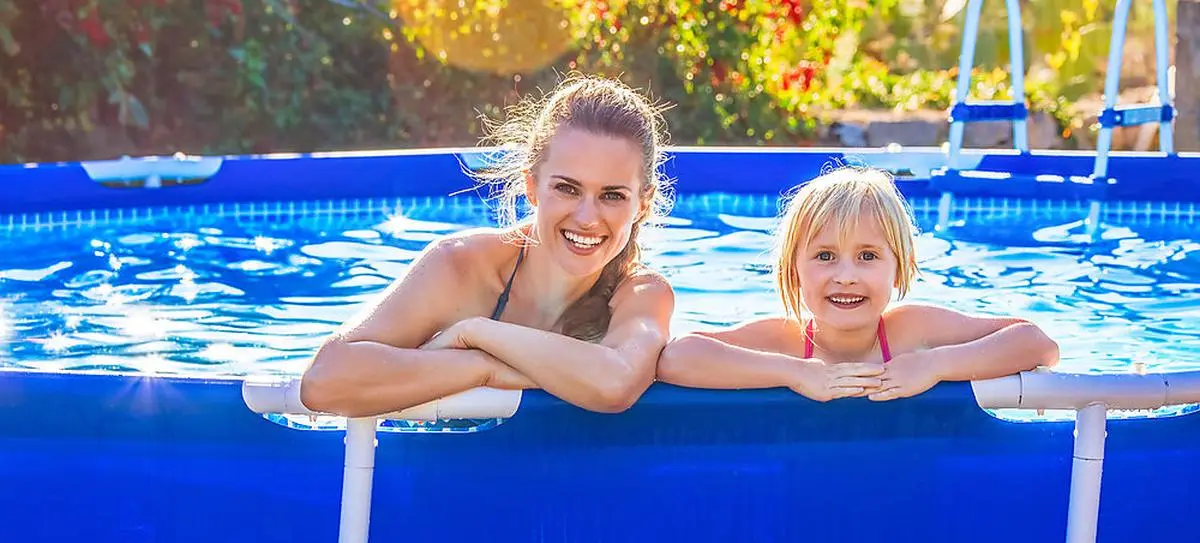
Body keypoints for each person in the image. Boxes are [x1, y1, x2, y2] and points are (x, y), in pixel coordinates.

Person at [300, 75, 675, 417]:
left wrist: (477, 335)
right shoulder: (460, 266)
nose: (587, 217)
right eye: (567, 188)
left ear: (641, 203)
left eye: (612, 195)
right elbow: (324, 382)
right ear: (532, 186)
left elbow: (615, 384)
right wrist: (483, 367)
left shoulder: (641, 293)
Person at [655, 166, 1060, 401]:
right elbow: (677, 357)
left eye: (868, 257)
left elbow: (1036, 343)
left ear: (898, 268)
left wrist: (936, 364)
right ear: (793, 270)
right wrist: (795, 372)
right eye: (824, 256)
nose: (845, 275)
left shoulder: (913, 334)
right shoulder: (787, 342)